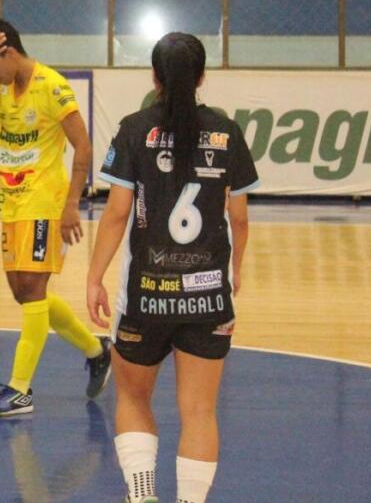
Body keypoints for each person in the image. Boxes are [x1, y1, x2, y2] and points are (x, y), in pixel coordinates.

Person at [87, 32, 258, 503]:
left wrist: (94, 277)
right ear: (202, 77)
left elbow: (117, 213)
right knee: (199, 412)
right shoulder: (227, 133)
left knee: (133, 398)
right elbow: (239, 218)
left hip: (147, 294)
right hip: (208, 295)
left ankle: (142, 495)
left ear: (154, 76)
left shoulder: (133, 128)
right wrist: (236, 269)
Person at [0, 20, 111, 416]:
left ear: (9, 52)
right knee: (22, 292)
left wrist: (71, 204)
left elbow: (83, 146)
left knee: (34, 290)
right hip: (12, 203)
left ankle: (20, 389)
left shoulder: (51, 86)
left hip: (45, 202)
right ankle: (96, 350)